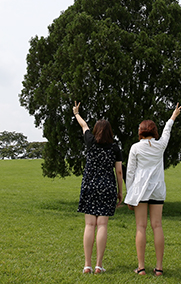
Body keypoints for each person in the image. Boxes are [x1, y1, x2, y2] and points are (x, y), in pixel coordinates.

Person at [124, 103, 181, 276]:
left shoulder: (135, 147)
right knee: (157, 226)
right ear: (153, 131)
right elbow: (167, 132)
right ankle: (159, 268)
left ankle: (141, 267)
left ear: (141, 131)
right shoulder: (160, 145)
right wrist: (173, 116)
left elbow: (130, 173)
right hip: (157, 189)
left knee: (141, 227)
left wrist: (130, 195)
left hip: (141, 191)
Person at [73, 102, 124, 274]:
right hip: (107, 186)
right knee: (102, 225)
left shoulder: (90, 141)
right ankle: (98, 265)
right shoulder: (115, 147)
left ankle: (87, 264)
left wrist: (76, 113)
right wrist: (120, 191)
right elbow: (118, 171)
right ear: (110, 132)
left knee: (89, 225)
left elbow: (84, 125)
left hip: (89, 185)